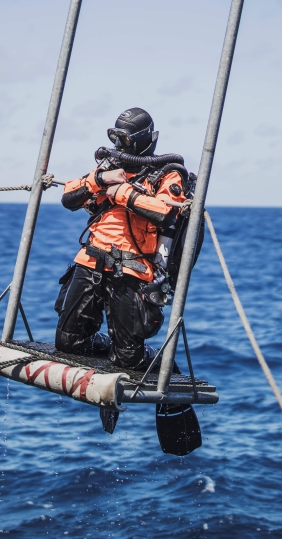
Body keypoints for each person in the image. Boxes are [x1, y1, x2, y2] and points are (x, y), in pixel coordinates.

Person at [54, 107, 188, 371]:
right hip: (91, 261)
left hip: (131, 270)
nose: (118, 144)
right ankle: (108, 348)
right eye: (115, 137)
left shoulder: (167, 173)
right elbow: (68, 198)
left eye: (125, 139)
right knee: (68, 342)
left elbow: (165, 213)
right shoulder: (108, 166)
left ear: (144, 138)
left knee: (128, 360)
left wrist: (121, 191)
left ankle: (157, 361)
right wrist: (101, 179)